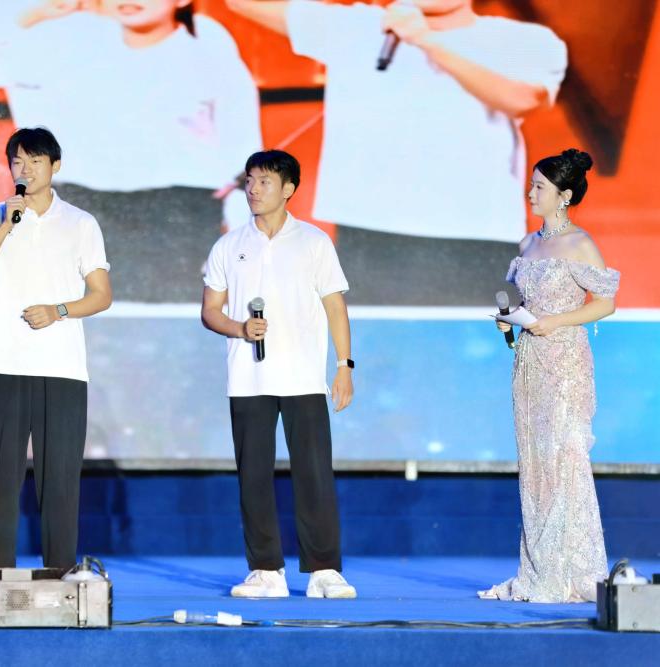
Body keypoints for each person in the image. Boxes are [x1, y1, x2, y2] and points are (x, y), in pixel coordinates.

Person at [0, 0, 262, 302]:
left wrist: (244, 248)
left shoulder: (206, 42)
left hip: (178, 216)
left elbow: (241, 150)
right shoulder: (69, 38)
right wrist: (33, 13)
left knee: (162, 325)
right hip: (82, 205)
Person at [226, 0, 567, 304]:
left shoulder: (523, 39)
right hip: (371, 233)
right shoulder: (358, 25)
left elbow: (522, 98)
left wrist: (425, 39)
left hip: (478, 235)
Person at [201, 150, 356, 598]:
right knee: (253, 476)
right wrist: (239, 328)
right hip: (247, 379)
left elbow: (335, 306)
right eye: (249, 180)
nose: (253, 189)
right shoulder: (229, 245)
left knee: (313, 474)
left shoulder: (314, 242)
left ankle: (324, 570)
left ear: (288, 188)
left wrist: (344, 365)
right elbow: (210, 311)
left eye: (264, 181)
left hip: (303, 376)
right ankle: (266, 569)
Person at [0, 126, 112, 569]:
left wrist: (58, 310)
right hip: (3, 364)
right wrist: (6, 225)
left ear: (55, 166)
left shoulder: (81, 223)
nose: (24, 170)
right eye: (17, 162)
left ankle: (60, 573)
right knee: (0, 477)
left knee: (59, 479)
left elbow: (101, 295)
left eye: (35, 161)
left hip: (62, 369)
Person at [481, 148, 617, 603]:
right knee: (536, 464)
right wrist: (510, 321)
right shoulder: (528, 244)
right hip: (529, 362)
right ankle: (541, 569)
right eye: (532, 184)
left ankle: (572, 572)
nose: (531, 192)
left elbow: (605, 303)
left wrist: (554, 321)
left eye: (540, 186)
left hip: (565, 364)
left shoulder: (580, 244)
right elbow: (523, 301)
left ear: (564, 196)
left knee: (564, 458)